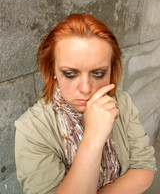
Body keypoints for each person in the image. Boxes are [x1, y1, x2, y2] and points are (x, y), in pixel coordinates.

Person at [15, 13, 156, 194]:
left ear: (111, 69)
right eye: (70, 74)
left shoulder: (122, 103)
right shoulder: (33, 130)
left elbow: (144, 167)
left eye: (98, 73)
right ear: (53, 70)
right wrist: (93, 138)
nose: (85, 88)